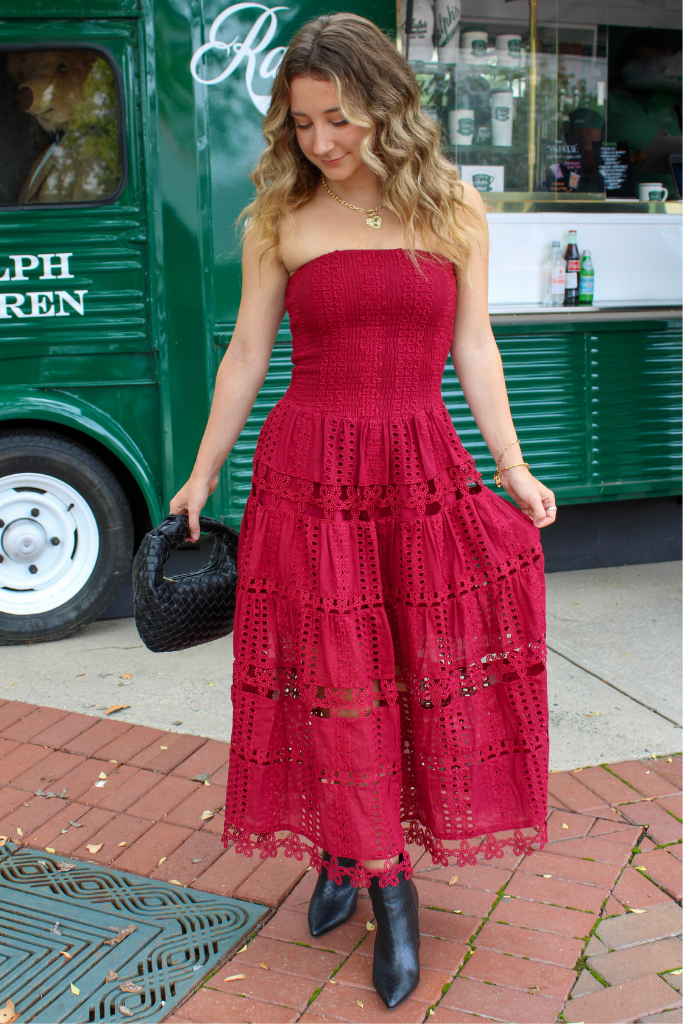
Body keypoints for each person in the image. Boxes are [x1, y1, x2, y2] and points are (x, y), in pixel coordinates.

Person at [171, 12, 556, 1009]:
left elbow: (474, 347)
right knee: (331, 680)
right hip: (309, 477)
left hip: (415, 467)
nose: (321, 143)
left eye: (337, 119)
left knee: (413, 674)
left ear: (386, 107)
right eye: (301, 125)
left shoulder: (454, 209)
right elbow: (247, 354)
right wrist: (204, 472)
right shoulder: (278, 216)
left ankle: (356, 853)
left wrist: (509, 466)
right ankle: (379, 881)